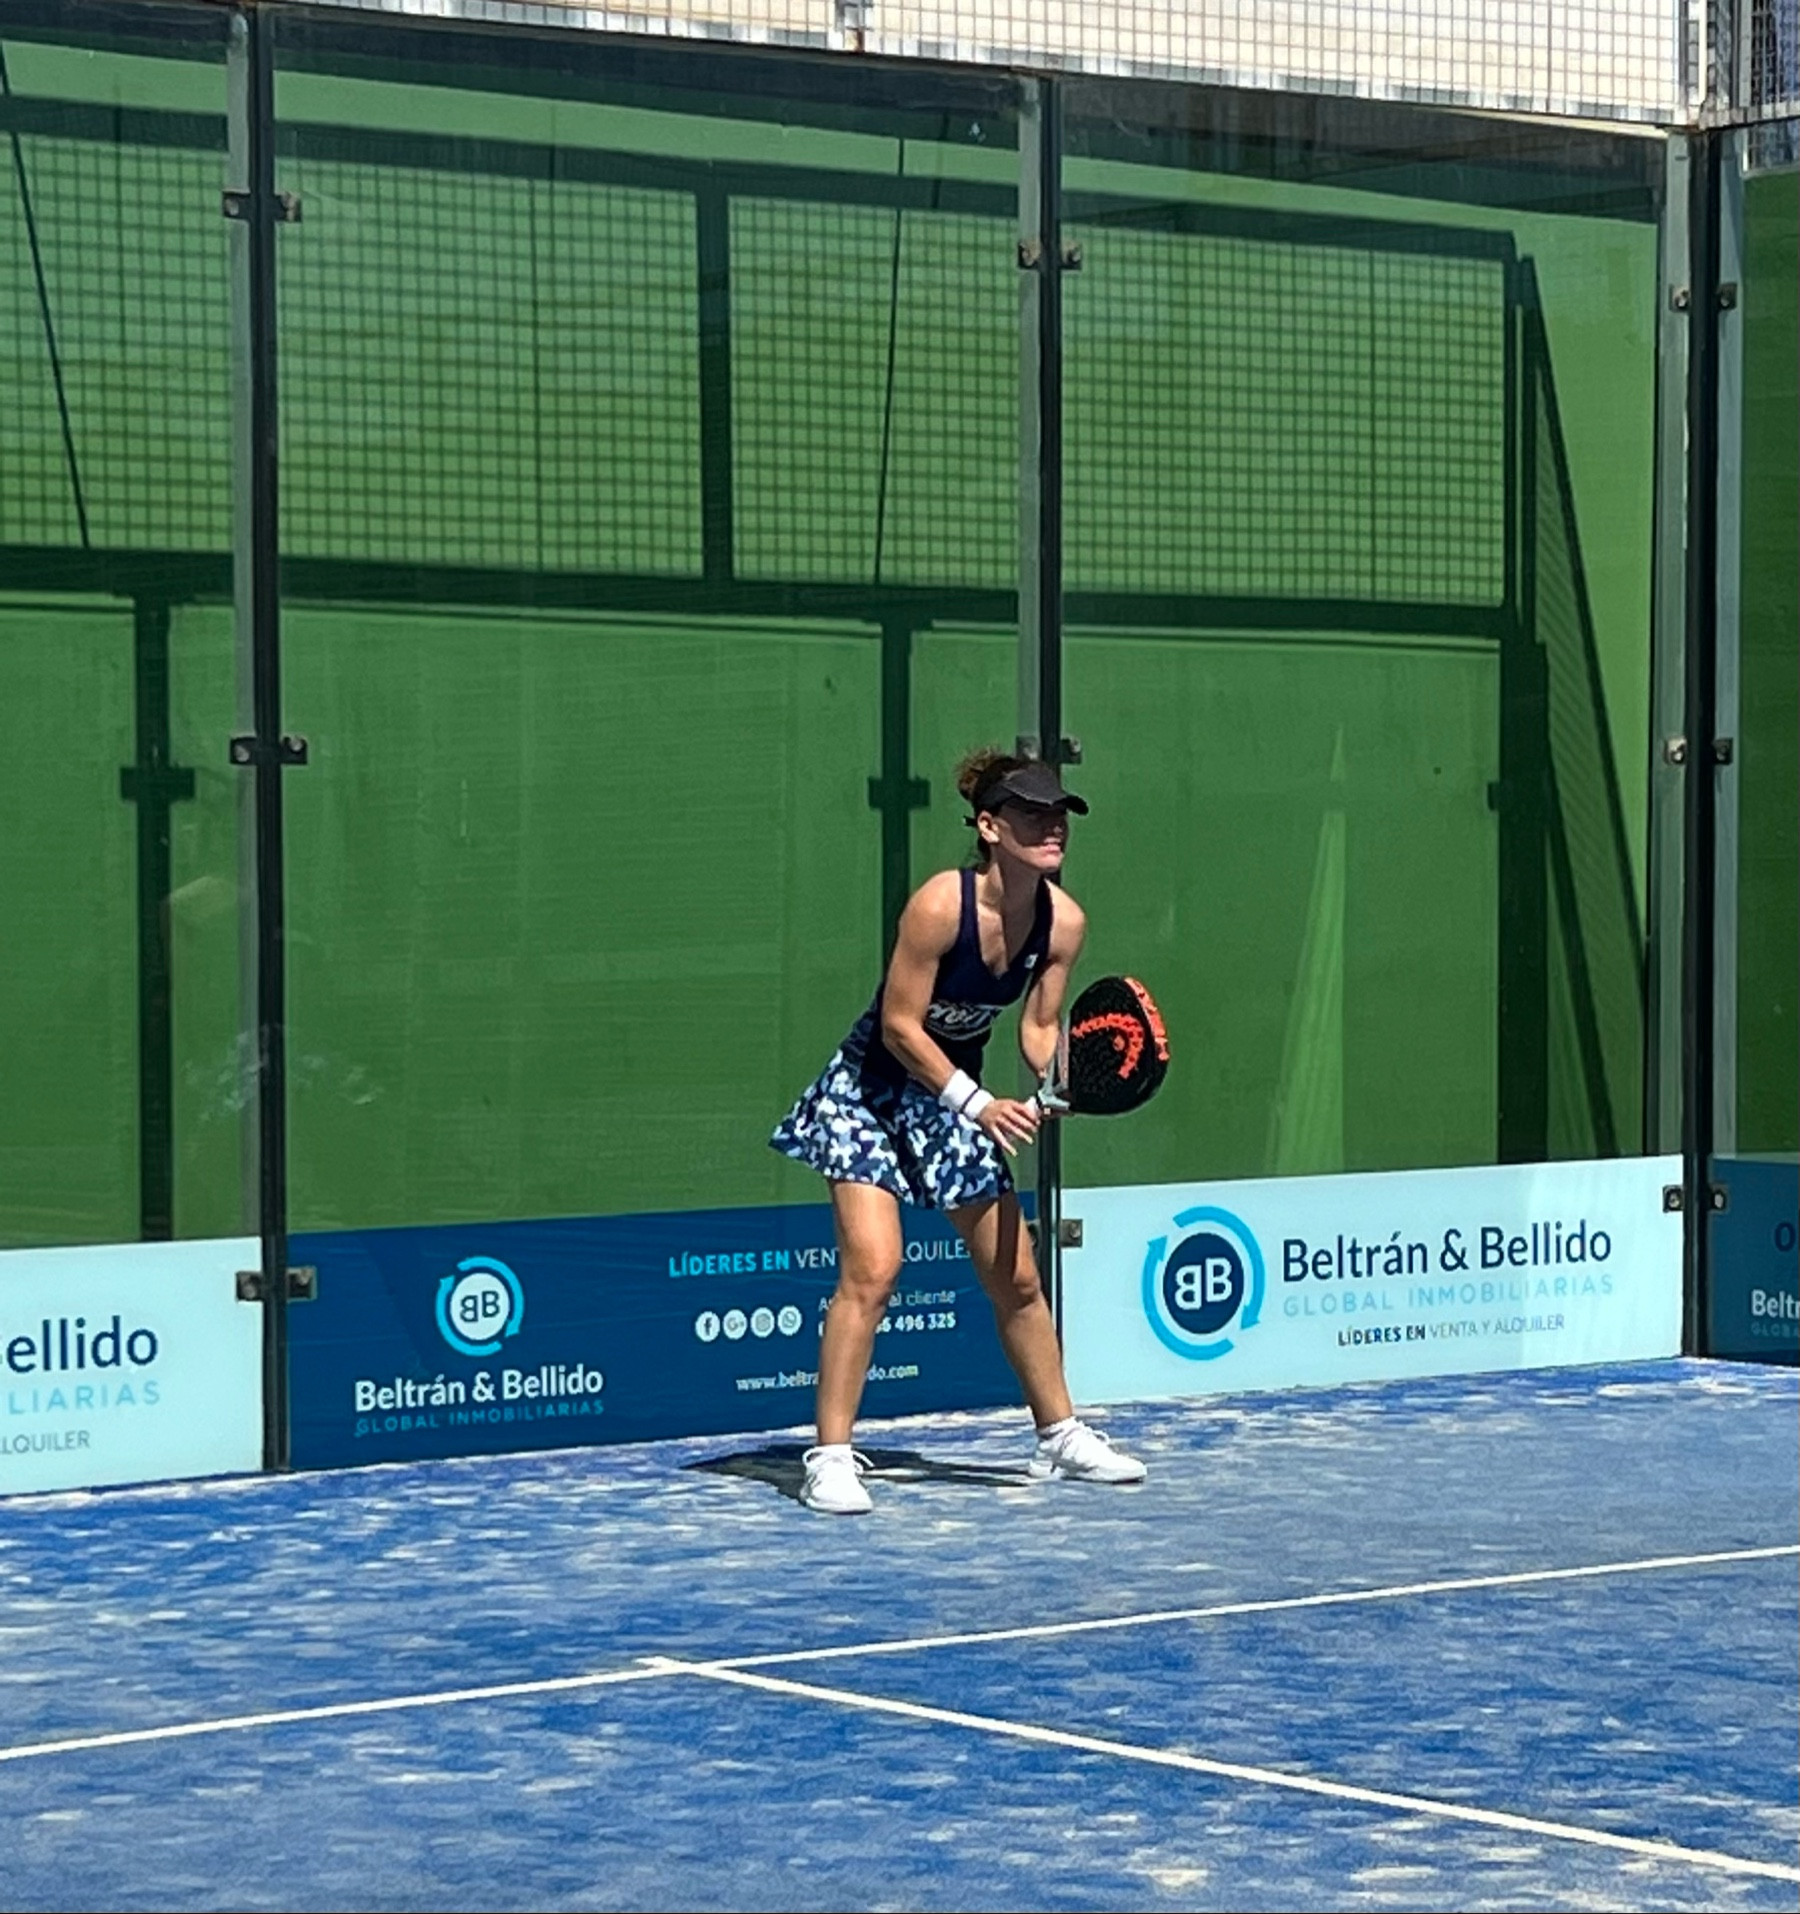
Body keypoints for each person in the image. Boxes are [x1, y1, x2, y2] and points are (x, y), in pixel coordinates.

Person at [769, 747, 1147, 1514]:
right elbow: (901, 1026)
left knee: (1019, 1278)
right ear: (989, 827)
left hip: (953, 1100)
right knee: (874, 1270)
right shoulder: (940, 906)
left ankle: (1060, 1436)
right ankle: (830, 1459)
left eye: (1059, 815)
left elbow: (1037, 1028)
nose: (1052, 827)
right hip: (870, 1094)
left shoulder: (1063, 923)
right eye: (1032, 815)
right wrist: (977, 1105)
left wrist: (1061, 1081)